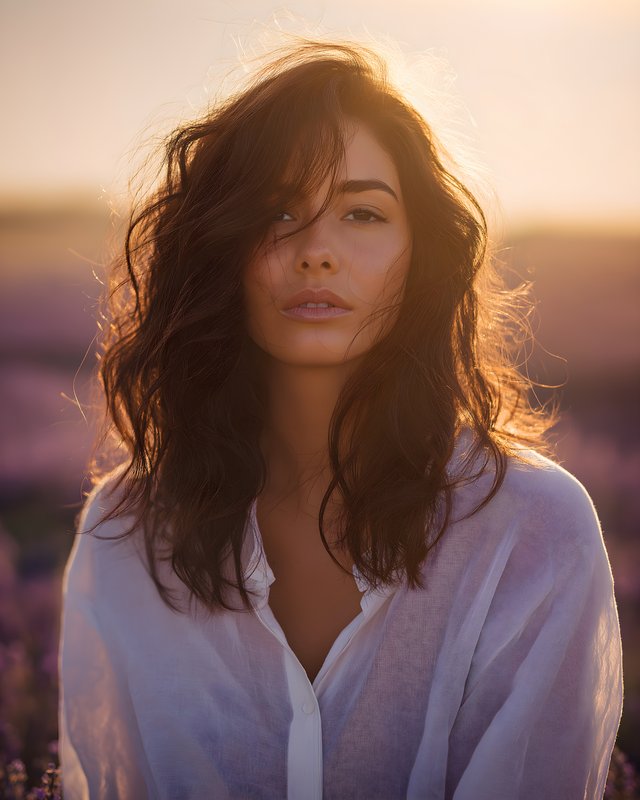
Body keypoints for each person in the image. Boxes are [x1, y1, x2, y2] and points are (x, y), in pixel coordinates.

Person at [58, 39, 623, 799]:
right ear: (218, 248)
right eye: (276, 211)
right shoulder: (125, 532)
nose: (317, 252)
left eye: (362, 213)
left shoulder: (531, 527)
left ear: (419, 252)